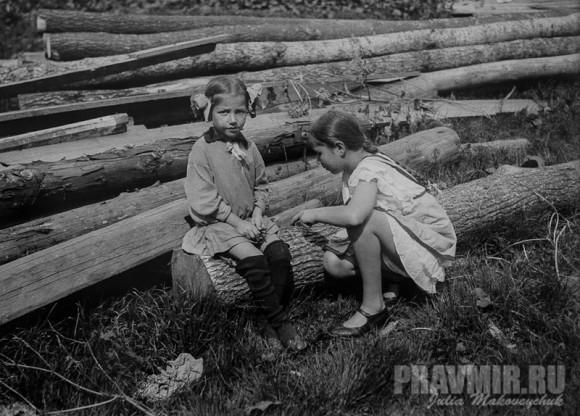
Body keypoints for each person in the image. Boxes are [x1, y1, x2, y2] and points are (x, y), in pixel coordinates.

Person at [292, 110, 456, 338]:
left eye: (319, 154)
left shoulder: (368, 169)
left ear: (339, 148)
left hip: (429, 246)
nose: (318, 161)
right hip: (402, 239)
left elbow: (355, 216)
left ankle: (373, 307)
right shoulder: (354, 167)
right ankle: (395, 280)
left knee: (363, 220)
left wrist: (315, 213)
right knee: (334, 263)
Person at [182, 75, 306, 352]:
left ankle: (264, 317)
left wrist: (259, 213)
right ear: (209, 112)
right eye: (224, 112)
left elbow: (261, 185)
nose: (233, 120)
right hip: (219, 224)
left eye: (239, 112)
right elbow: (204, 201)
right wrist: (238, 223)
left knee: (279, 254)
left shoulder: (248, 147)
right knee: (254, 260)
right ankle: (279, 321)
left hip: (251, 220)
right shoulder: (201, 152)